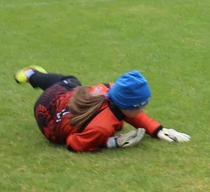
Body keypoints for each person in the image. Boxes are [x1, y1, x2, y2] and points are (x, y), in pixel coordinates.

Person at [15, 66, 190, 153]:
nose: (145, 108)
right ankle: (31, 73)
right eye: (143, 105)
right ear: (129, 106)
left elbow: (131, 113)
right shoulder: (102, 127)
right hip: (48, 123)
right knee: (70, 82)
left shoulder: (111, 90)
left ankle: (32, 75)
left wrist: (157, 130)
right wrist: (113, 142)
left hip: (57, 98)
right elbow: (73, 144)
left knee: (70, 81)